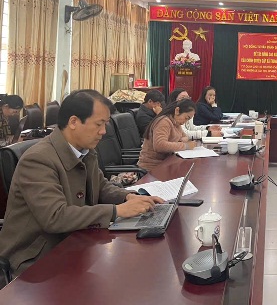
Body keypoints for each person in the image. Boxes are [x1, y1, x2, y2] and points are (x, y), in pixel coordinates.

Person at [0, 89, 163, 275]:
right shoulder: (38, 160)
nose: (103, 131)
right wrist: (117, 211)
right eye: (98, 124)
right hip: (36, 259)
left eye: (105, 124)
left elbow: (101, 186)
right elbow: (55, 217)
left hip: (75, 241)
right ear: (73, 122)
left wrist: (128, 197)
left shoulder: (85, 150)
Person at [137, 100, 198, 170]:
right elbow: (160, 145)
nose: (184, 122)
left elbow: (184, 137)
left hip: (167, 163)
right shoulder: (164, 122)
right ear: (177, 110)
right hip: (153, 167)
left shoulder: (176, 122)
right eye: (186, 118)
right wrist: (186, 146)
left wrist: (182, 141)